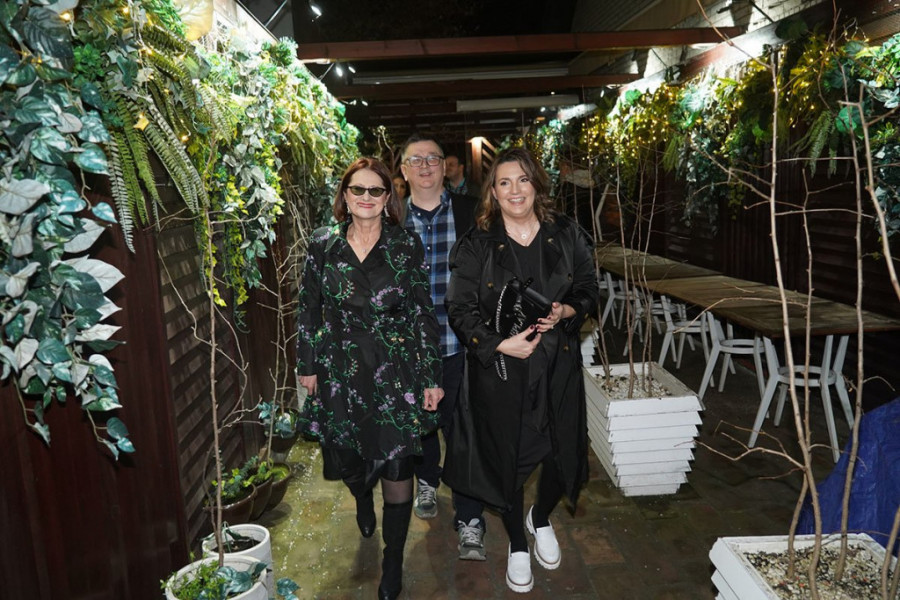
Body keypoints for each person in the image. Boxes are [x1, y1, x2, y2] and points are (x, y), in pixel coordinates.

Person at [444, 147, 600, 593]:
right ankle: (516, 541)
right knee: (507, 460)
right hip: (502, 373)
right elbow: (459, 308)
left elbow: (589, 288)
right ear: (493, 192)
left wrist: (568, 309)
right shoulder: (477, 243)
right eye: (504, 182)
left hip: (557, 367)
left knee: (561, 456)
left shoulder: (566, 233)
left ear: (536, 184)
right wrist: (498, 344)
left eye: (523, 180)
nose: (515, 190)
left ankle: (540, 516)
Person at [295, 157, 444, 600]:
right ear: (344, 196)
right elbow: (309, 307)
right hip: (339, 368)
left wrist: (431, 376)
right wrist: (307, 364)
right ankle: (362, 497)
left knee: (398, 466)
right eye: (357, 189)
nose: (365, 197)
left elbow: (421, 311)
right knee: (348, 462)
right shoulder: (323, 243)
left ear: (387, 198)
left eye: (375, 190)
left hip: (394, 369)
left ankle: (392, 562)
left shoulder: (405, 244)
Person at [400, 133, 488, 561]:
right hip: (409, 351)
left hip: (461, 345)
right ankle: (427, 479)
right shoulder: (389, 219)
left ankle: (470, 517)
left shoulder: (472, 212)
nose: (425, 166)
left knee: (465, 433)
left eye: (432, 158)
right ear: (403, 171)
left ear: (445, 167)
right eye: (415, 160)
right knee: (420, 425)